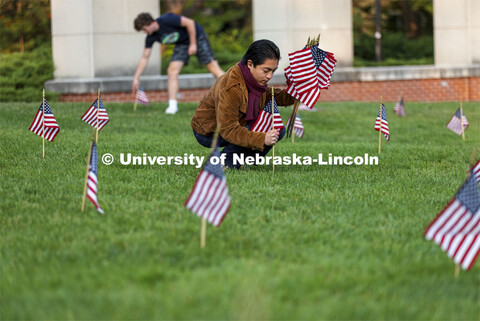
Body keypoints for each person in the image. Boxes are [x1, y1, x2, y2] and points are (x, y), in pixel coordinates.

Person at [191, 39, 295, 169]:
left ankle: (242, 161)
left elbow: (275, 96)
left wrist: (300, 91)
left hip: (232, 126)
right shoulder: (232, 86)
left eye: (273, 71)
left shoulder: (253, 79)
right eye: (266, 70)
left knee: (277, 129)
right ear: (250, 64)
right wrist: (261, 139)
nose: (269, 76)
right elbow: (228, 129)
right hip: (209, 132)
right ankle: (222, 163)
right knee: (258, 130)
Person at [132, 12, 224, 114]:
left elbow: (190, 23)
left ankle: (237, 92)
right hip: (182, 43)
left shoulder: (167, 19)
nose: (145, 32)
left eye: (144, 29)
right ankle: (172, 106)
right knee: (172, 71)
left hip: (197, 36)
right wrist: (136, 77)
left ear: (150, 23)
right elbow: (145, 57)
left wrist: (193, 44)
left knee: (213, 69)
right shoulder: (151, 37)